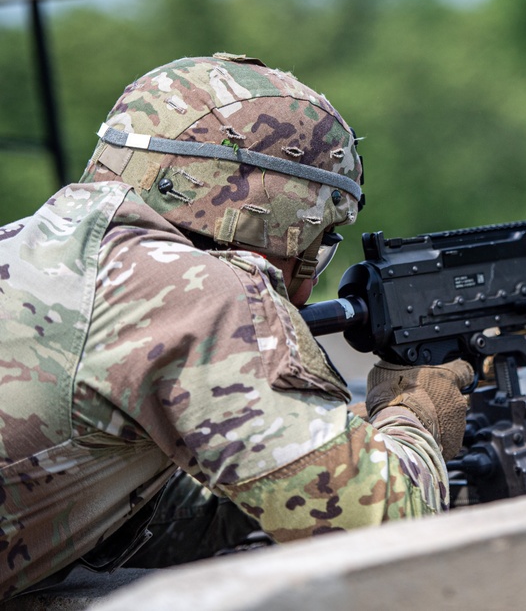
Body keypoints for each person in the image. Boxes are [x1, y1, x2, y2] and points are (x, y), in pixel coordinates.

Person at [0, 54, 473, 598]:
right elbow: (387, 528)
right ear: (279, 220)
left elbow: (89, 510)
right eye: (317, 242)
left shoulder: (39, 246)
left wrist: (311, 449)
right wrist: (415, 412)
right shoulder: (196, 294)